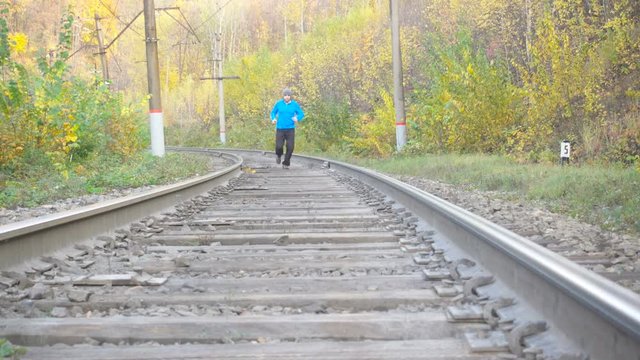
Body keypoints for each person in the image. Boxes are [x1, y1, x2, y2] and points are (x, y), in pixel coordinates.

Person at [270, 88, 304, 169]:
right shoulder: (279, 103)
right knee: (279, 147)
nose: (287, 97)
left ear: (290, 96)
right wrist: (273, 118)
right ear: (283, 96)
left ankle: (286, 163)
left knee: (290, 147)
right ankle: (278, 155)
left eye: (288, 95)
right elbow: (273, 112)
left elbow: (301, 114)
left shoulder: (294, 104)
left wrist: (297, 118)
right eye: (285, 95)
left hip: (290, 129)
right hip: (280, 128)